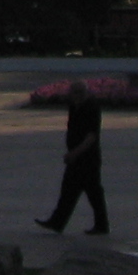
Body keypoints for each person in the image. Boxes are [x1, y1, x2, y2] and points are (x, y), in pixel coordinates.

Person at [36, 79, 108, 234]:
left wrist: (75, 152)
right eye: (74, 93)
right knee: (70, 191)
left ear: (86, 93)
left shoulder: (91, 108)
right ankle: (57, 222)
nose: (77, 95)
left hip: (88, 158)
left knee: (93, 193)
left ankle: (101, 225)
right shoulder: (74, 106)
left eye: (80, 92)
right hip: (76, 158)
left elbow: (92, 136)